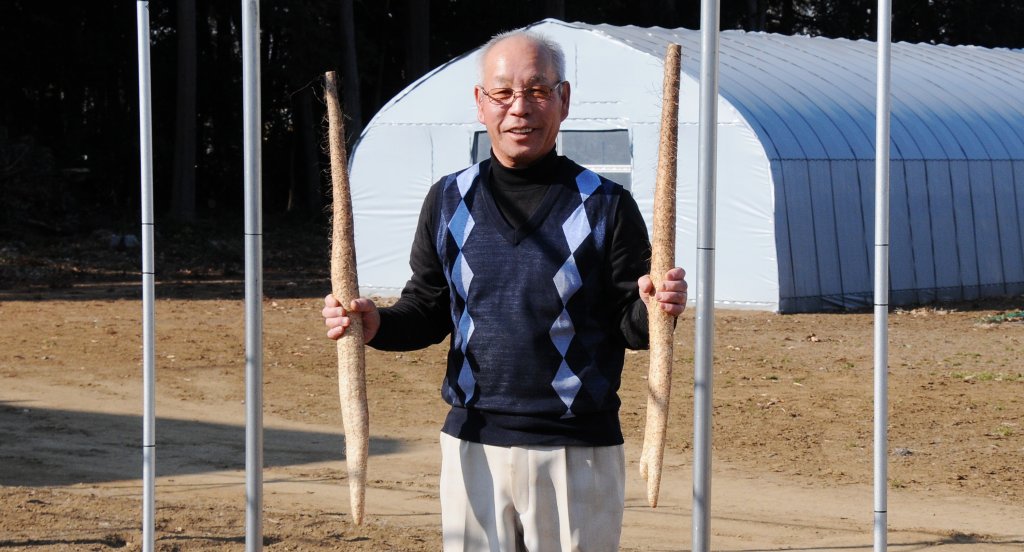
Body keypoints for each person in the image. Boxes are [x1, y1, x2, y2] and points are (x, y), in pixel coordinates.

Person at [323, 29, 688, 552]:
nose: (521, 108)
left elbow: (630, 325)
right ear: (480, 103)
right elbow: (427, 308)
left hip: (574, 451)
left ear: (563, 101)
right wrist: (375, 324)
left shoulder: (606, 205)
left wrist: (658, 308)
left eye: (538, 91)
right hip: (472, 443)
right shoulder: (449, 200)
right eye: (504, 93)